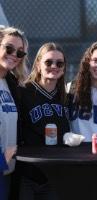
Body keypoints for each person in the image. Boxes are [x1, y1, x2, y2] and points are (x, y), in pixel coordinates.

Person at [18, 42, 70, 200]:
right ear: (38, 65)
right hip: (27, 174)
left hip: (55, 175)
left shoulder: (66, 97)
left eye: (59, 63)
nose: (54, 66)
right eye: (48, 62)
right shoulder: (22, 91)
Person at [0, 26, 28, 200]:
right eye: (9, 48)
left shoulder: (12, 83)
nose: (13, 55)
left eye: (19, 53)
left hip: (8, 171)